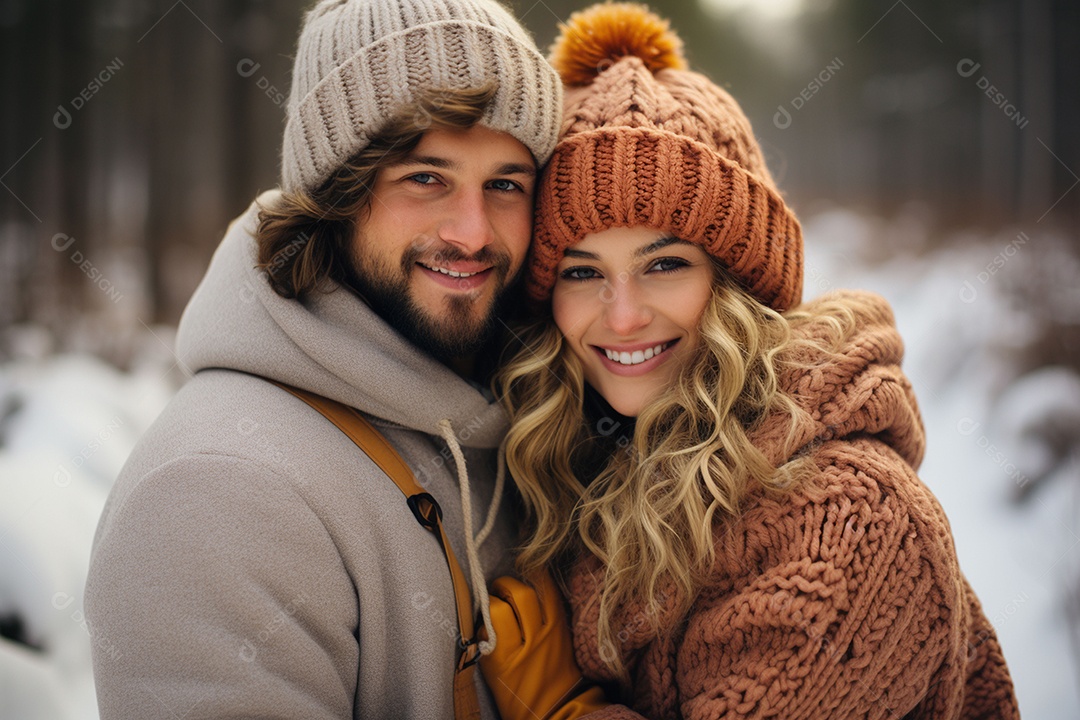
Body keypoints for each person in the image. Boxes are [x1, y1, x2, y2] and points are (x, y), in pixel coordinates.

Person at [478, 4, 1020, 719]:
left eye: (664, 263)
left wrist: (561, 708)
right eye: (581, 273)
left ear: (736, 283)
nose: (622, 315)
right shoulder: (590, 470)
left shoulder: (849, 522)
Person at [84, 0, 560, 717]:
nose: (472, 232)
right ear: (338, 193)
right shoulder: (216, 491)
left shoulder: (535, 421)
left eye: (505, 184)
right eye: (424, 178)